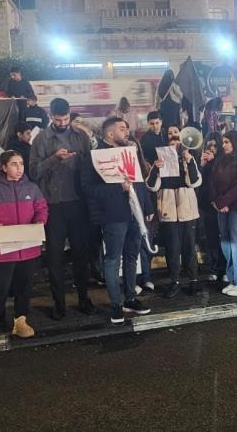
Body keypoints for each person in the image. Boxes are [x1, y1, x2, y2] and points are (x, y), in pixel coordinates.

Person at [0, 150, 47, 345]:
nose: (19, 168)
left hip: (29, 246)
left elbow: (42, 208)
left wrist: (40, 221)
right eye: (14, 164)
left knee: (25, 285)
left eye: (21, 163)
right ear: (4, 167)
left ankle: (21, 321)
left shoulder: (32, 188)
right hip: (4, 247)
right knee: (0, 287)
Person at [81, 117, 154, 324]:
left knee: (132, 256)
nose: (127, 132)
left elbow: (139, 181)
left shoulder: (129, 151)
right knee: (113, 259)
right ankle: (116, 304)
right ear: (110, 133)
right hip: (113, 215)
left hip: (135, 213)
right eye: (122, 129)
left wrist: (147, 206)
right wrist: (117, 188)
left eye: (127, 128)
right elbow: (88, 188)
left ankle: (130, 298)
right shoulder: (95, 156)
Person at [30, 98, 96, 319]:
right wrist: (54, 159)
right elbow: (33, 172)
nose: (62, 123)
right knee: (55, 257)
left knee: (81, 254)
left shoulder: (81, 136)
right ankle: (59, 304)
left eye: (66, 119)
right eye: (58, 120)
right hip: (53, 205)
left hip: (78, 203)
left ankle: (84, 299)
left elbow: (91, 165)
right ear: (51, 116)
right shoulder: (41, 139)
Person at [146, 125, 203, 298]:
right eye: (172, 143)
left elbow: (195, 182)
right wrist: (156, 168)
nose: (175, 146)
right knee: (172, 249)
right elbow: (151, 185)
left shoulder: (189, 159)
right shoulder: (160, 161)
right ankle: (174, 282)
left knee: (189, 248)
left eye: (178, 143)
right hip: (168, 212)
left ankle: (194, 280)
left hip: (187, 211)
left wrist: (189, 160)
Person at [207, 130, 237, 296]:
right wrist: (216, 202)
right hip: (222, 208)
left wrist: (223, 202)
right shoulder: (221, 159)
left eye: (227, 142)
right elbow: (212, 180)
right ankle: (233, 279)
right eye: (223, 142)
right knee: (227, 244)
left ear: (235, 142)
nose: (224, 145)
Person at [197, 134, 225, 280]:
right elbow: (197, 180)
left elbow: (222, 178)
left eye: (215, 145)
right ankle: (214, 268)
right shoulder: (202, 159)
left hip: (221, 203)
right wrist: (201, 165)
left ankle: (224, 269)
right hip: (207, 204)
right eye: (209, 145)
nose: (212, 148)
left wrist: (214, 162)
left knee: (223, 237)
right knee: (211, 237)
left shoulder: (223, 160)